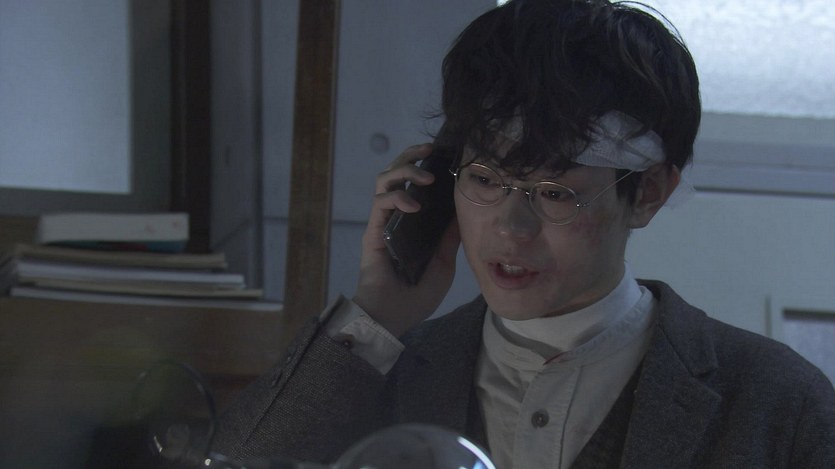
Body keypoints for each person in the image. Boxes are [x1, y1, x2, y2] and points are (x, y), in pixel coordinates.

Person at [215, 0, 835, 467]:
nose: (511, 227)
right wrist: (376, 312)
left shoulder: (774, 402)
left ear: (647, 193)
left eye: (556, 193)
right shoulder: (374, 372)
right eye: (485, 180)